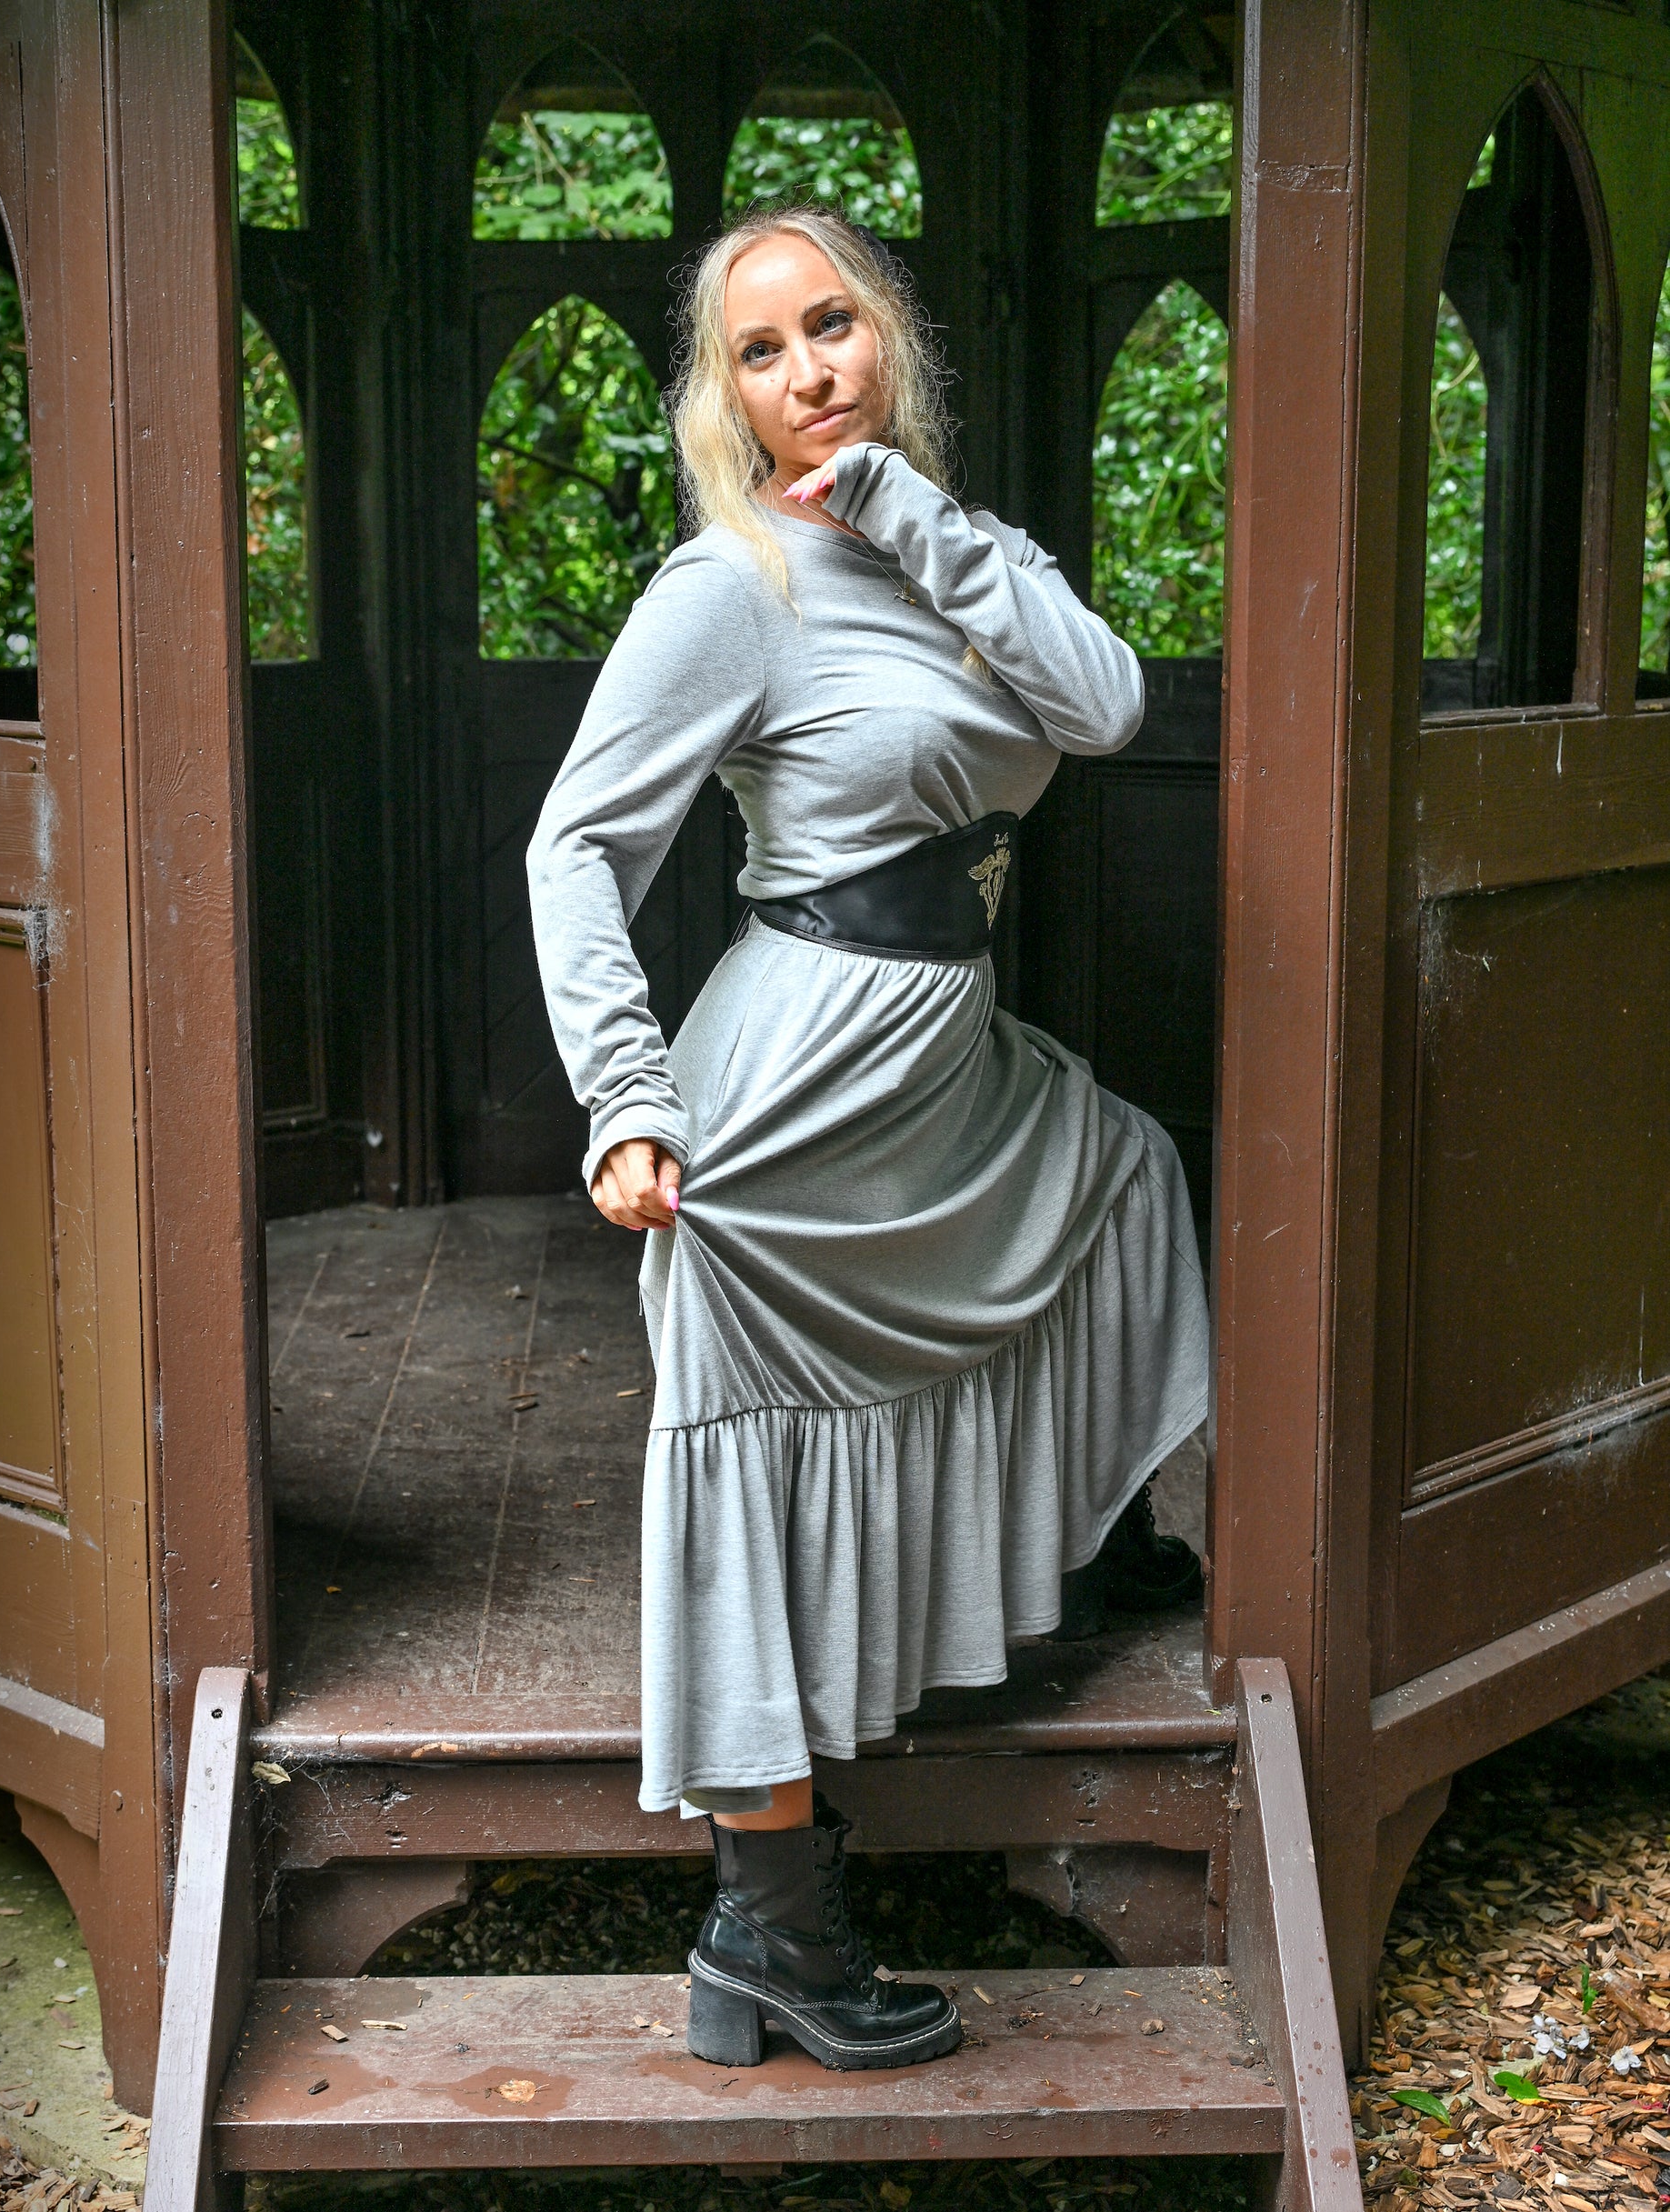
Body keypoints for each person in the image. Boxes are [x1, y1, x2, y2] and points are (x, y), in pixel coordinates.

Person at [527, 205, 1210, 2073]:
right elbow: (576, 845)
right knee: (743, 1456)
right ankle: (770, 1926)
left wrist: (907, 515)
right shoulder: (726, 585)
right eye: (760, 350)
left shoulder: (960, 553)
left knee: (1122, 1173)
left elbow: (1106, 703)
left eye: (831, 325)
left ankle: (1074, 1533)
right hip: (793, 1092)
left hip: (946, 1070)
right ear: (723, 398)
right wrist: (628, 1093)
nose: (807, 369)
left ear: (887, 337)